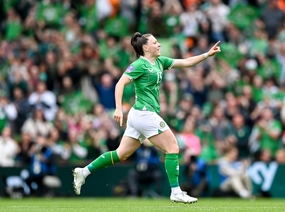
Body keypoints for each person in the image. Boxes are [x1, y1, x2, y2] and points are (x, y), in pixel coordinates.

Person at [73, 32, 221, 204]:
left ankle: (83, 172)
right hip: (144, 113)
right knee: (172, 147)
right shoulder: (139, 65)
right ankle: (175, 191)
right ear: (145, 47)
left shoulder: (160, 61)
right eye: (155, 42)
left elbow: (186, 62)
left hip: (140, 115)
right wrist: (119, 108)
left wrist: (206, 55)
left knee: (121, 154)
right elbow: (120, 83)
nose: (159, 45)